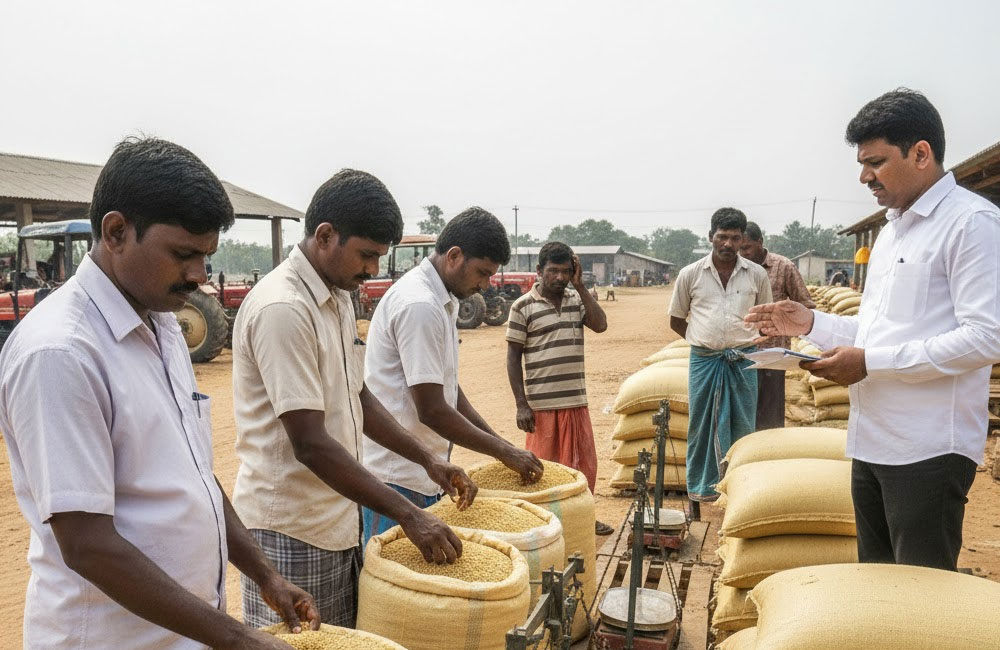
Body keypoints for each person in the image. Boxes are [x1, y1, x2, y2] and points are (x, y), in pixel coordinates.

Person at [0, 137, 319, 650]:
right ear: (117, 232)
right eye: (183, 254)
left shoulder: (162, 324)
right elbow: (87, 545)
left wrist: (265, 575)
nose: (198, 275)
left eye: (207, 257)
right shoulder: (60, 353)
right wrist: (238, 638)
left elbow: (193, 475)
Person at [747, 89, 1000, 571]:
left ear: (921, 153)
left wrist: (870, 364)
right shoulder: (892, 232)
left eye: (876, 162)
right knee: (879, 587)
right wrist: (813, 322)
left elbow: (987, 336)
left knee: (918, 592)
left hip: (928, 448)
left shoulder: (971, 224)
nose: (865, 176)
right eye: (863, 163)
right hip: (872, 438)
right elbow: (879, 327)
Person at [231, 170, 474, 628]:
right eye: (366, 255)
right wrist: (407, 514)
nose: (372, 270)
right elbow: (310, 443)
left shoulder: (337, 296)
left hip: (338, 518)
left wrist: (429, 461)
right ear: (325, 236)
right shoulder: (284, 309)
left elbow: (357, 396)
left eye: (380, 258)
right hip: (293, 527)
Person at [362, 208, 543, 541]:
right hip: (396, 477)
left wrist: (503, 446)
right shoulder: (420, 306)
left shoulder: (444, 300)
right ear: (455, 256)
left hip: (425, 473)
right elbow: (432, 409)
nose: (484, 285)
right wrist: (502, 452)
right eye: (482, 273)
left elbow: (449, 391)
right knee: (396, 584)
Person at [506, 242, 614, 535]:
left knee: (583, 467)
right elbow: (513, 357)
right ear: (539, 271)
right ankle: (546, 526)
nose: (559, 277)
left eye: (566, 271)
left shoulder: (576, 299)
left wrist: (580, 287)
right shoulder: (522, 306)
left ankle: (582, 519)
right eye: (553, 271)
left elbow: (601, 325)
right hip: (541, 406)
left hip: (575, 401)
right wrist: (521, 403)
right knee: (545, 470)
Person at [668, 208, 772, 506]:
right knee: (701, 425)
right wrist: (704, 340)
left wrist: (752, 340)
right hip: (704, 361)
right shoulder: (690, 274)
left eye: (735, 238)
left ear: (743, 240)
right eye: (722, 237)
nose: (727, 244)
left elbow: (766, 317)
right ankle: (701, 489)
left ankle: (740, 489)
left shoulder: (756, 274)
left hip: (744, 361)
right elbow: (676, 319)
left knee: (743, 426)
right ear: (710, 237)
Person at [739, 221, 815, 430]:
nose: (743, 254)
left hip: (772, 355)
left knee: (769, 415)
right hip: (739, 354)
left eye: (747, 248)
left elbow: (807, 306)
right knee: (743, 413)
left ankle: (768, 454)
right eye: (739, 249)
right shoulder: (736, 269)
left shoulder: (783, 267)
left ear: (760, 242)